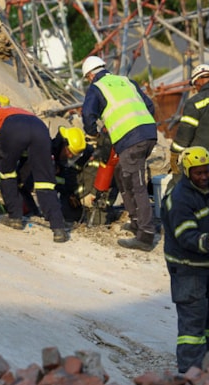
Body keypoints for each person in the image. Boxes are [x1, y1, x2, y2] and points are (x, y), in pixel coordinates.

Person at [161, 146, 209, 373]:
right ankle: (189, 371)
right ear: (187, 172)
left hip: (208, 265)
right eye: (198, 173)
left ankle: (208, 360)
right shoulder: (179, 198)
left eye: (206, 171)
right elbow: (185, 237)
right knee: (193, 320)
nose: (203, 177)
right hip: (186, 268)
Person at [81, 55, 158, 251]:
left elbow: (88, 114)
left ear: (90, 75)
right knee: (122, 174)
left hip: (132, 139)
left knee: (137, 184)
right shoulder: (125, 81)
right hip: (147, 133)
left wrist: (93, 133)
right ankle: (135, 221)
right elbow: (149, 106)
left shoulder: (97, 87)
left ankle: (146, 234)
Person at [0, 95, 70, 243]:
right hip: (40, 129)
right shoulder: (16, 109)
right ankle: (58, 228)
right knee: (45, 182)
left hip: (15, 129)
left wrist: (4, 156)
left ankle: (15, 217)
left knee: (7, 173)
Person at [170, 64, 209, 184]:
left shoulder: (195, 102)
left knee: (176, 189)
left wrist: (174, 153)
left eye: (195, 84)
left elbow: (184, 135)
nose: (195, 88)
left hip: (203, 166)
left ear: (199, 80)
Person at [51, 126, 94, 223]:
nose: (70, 156)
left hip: (73, 191)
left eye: (74, 155)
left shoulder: (85, 153)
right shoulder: (50, 153)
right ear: (64, 144)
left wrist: (75, 194)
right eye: (69, 152)